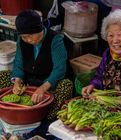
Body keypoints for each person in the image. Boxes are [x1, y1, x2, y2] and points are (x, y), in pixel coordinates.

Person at [1, 9, 73, 139]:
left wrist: (43, 88)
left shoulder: (55, 40)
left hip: (50, 84)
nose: (27, 39)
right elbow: (18, 62)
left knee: (66, 85)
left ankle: (45, 123)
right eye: (24, 36)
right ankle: (12, 113)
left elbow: (59, 69)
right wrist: (17, 81)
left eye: (30, 35)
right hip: (29, 82)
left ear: (39, 29)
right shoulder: (22, 40)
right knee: (3, 76)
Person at [82, 9, 121, 96]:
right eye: (111, 35)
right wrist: (92, 85)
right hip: (105, 102)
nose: (115, 40)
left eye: (120, 34)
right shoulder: (107, 54)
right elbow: (99, 76)